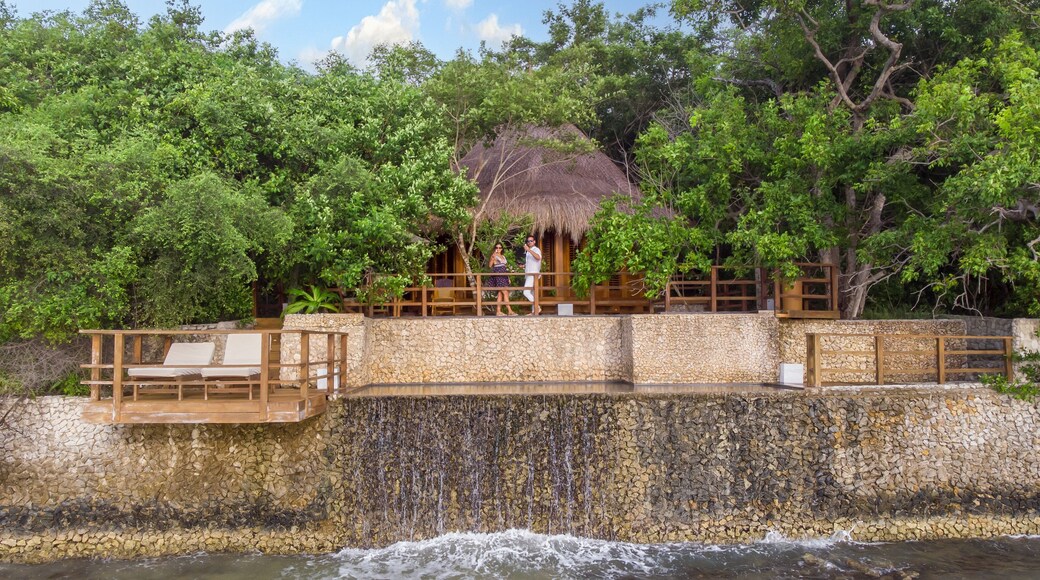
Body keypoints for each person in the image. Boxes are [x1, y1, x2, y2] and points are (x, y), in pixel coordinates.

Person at [486, 243, 516, 316]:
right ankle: (510, 311)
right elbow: (490, 266)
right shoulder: (494, 256)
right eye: (497, 247)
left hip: (504, 275)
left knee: (500, 294)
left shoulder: (503, 256)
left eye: (500, 247)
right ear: (495, 248)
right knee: (505, 292)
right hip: (498, 275)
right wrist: (492, 258)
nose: (498, 249)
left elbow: (505, 268)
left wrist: (508, 277)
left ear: (502, 249)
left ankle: (498, 311)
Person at [523, 235, 542, 315]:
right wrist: (523, 266)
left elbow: (538, 257)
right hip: (529, 273)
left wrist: (528, 250)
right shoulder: (529, 251)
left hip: (533, 274)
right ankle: (534, 311)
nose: (529, 242)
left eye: (531, 241)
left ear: (534, 242)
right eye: (528, 241)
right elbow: (532, 262)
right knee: (533, 293)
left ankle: (537, 307)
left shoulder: (536, 249)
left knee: (526, 292)